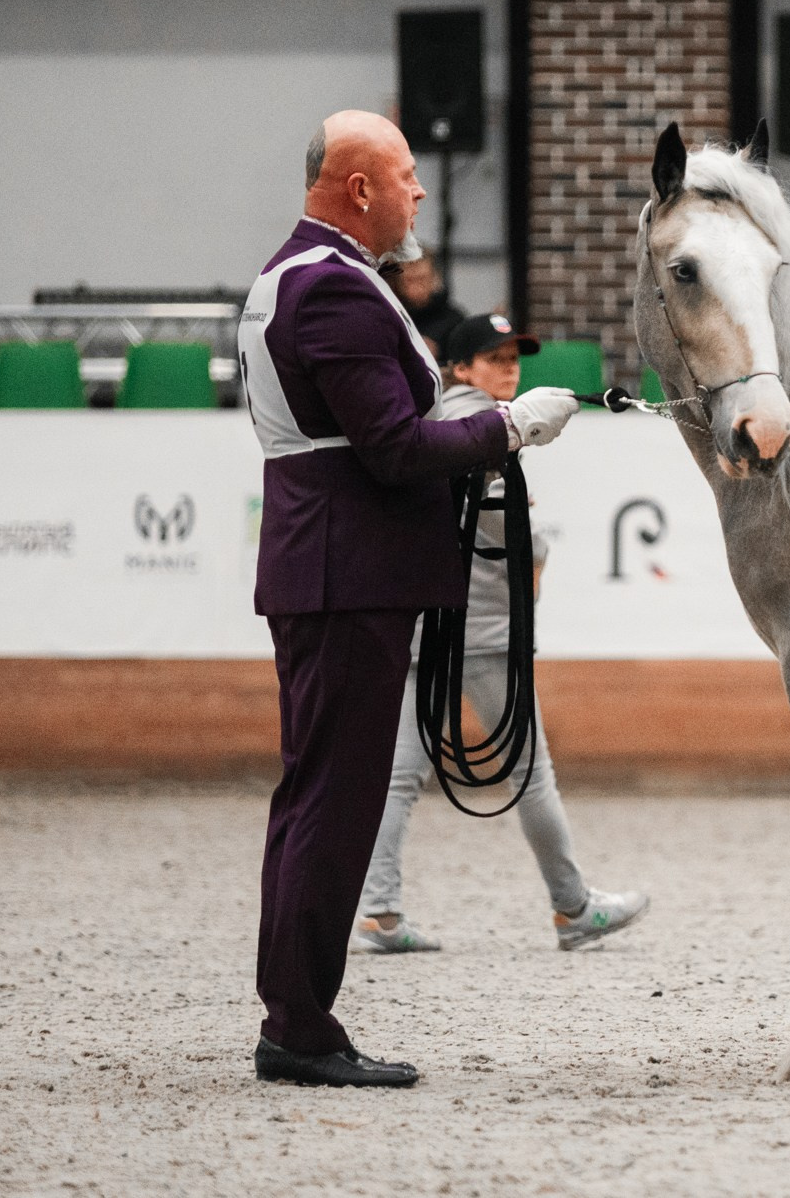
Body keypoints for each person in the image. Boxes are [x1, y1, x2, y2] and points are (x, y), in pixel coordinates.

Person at [237, 110, 581, 1088]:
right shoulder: (335, 293)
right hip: (350, 568)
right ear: (357, 188)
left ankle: (297, 1011)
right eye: (404, 176)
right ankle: (300, 1027)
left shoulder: (286, 279)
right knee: (335, 803)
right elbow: (390, 448)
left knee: (312, 796)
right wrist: (508, 427)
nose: (418, 192)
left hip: (325, 562)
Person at [355, 311, 649, 955]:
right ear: (462, 368)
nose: (511, 368)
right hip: (480, 628)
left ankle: (379, 910)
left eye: (515, 359)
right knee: (530, 772)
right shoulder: (478, 433)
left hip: (423, 625)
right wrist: (537, 540)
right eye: (496, 359)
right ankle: (572, 908)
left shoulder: (440, 419)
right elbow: (503, 530)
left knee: (401, 770)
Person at [381, 249, 465, 360]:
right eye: (409, 280)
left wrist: (439, 352)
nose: (416, 287)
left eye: (422, 279)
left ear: (435, 279)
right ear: (398, 282)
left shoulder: (454, 321)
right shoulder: (387, 315)